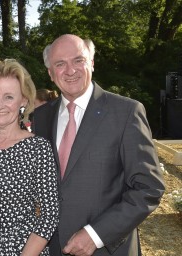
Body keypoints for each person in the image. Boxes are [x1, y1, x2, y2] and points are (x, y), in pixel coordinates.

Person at [32, 34, 165, 256]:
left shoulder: (126, 112)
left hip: (107, 249)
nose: (70, 70)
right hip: (52, 248)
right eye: (60, 64)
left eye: (78, 60)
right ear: (50, 73)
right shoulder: (41, 117)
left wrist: (96, 235)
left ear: (91, 63)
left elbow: (149, 187)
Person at [0, 58, 59, 255]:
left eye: (9, 97)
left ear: (23, 100)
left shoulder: (38, 149)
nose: (0, 105)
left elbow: (49, 215)